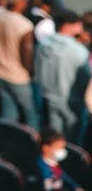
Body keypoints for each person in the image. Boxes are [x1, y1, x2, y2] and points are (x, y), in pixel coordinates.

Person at [35, 10, 92, 141]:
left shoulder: (44, 44)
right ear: (67, 26)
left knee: (54, 136)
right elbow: (86, 82)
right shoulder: (79, 51)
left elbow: (37, 69)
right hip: (72, 103)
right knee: (73, 139)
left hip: (49, 97)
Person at [0, 0, 40, 128]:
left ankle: (6, 139)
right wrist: (31, 72)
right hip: (18, 77)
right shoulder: (25, 25)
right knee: (31, 115)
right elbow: (27, 57)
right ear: (19, 2)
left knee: (8, 113)